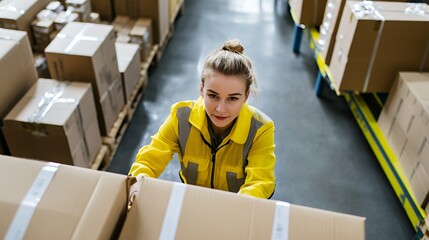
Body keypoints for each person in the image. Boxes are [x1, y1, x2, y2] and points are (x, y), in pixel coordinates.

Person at [129, 39, 276, 199]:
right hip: (192, 203)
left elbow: (260, 184)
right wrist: (138, 184)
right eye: (213, 96)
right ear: (202, 90)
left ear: (246, 96)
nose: (220, 109)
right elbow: (148, 161)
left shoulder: (260, 129)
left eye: (232, 98)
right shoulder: (181, 117)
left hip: (235, 210)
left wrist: (236, 210)